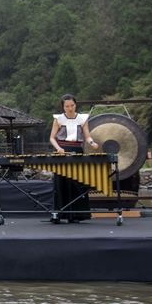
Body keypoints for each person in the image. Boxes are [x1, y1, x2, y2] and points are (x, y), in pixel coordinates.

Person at [49, 94, 99, 222]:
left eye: (72, 105)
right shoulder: (58, 119)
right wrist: (58, 148)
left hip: (77, 150)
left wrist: (92, 143)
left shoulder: (82, 118)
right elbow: (52, 138)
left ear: (75, 105)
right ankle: (59, 214)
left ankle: (77, 214)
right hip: (62, 151)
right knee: (61, 182)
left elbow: (87, 136)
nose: (70, 108)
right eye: (67, 106)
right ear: (63, 107)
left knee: (76, 182)